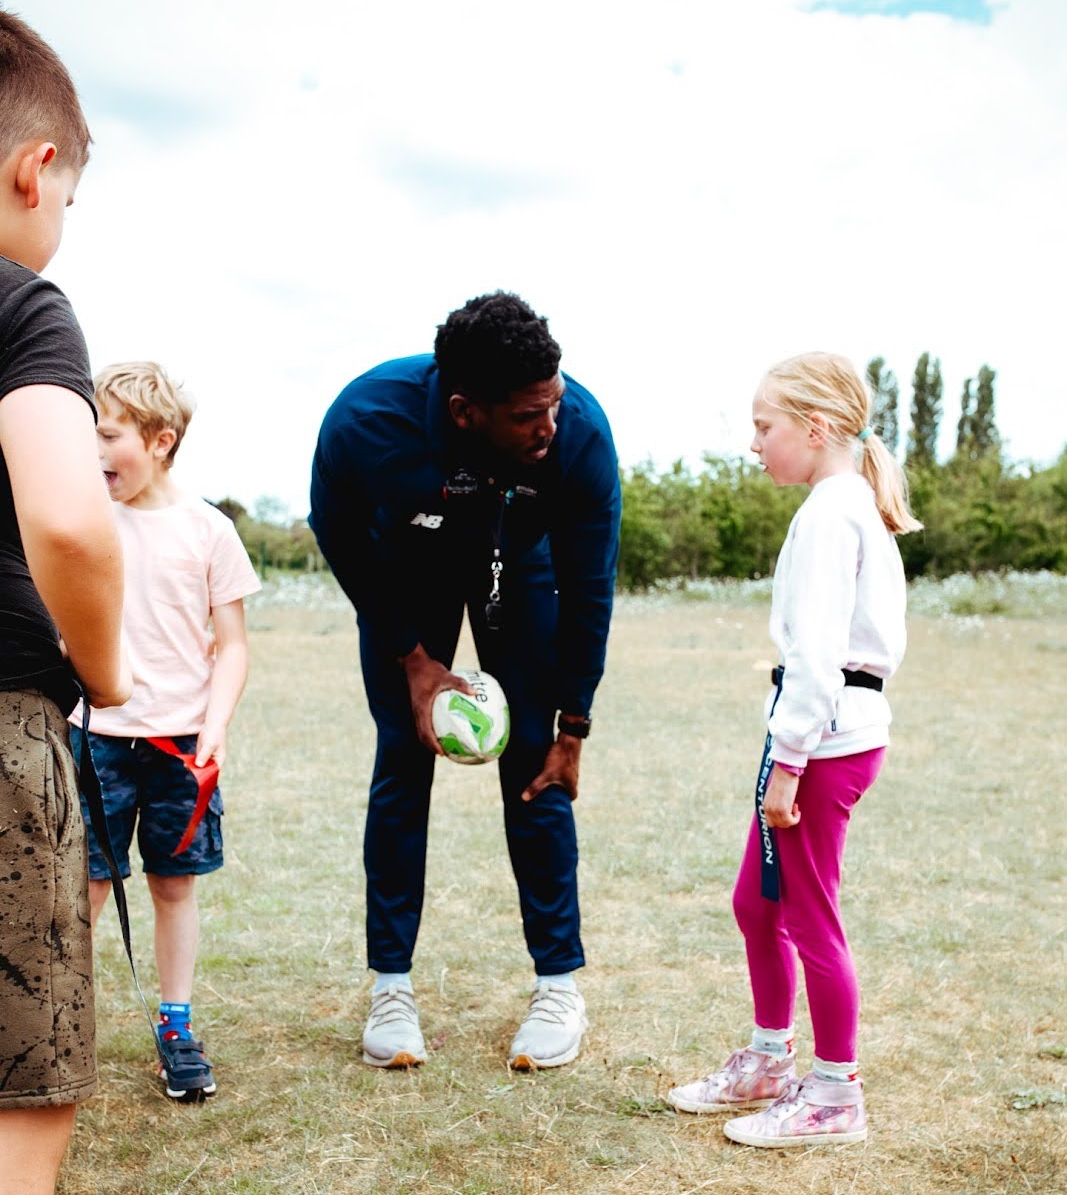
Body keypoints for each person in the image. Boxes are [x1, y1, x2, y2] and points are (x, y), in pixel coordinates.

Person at [311, 291, 620, 1070]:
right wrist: (413, 660)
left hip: (519, 575)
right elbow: (339, 534)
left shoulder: (577, 432)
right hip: (406, 574)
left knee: (535, 773)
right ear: (462, 410)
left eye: (552, 401)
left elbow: (591, 587)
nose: (548, 424)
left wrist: (572, 725)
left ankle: (557, 987)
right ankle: (390, 986)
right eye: (525, 414)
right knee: (402, 763)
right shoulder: (366, 421)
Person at [668, 352, 921, 1147]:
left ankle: (834, 1096)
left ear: (814, 429)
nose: (754, 444)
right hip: (815, 734)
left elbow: (818, 658)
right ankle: (771, 1060)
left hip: (824, 742)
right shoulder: (839, 505)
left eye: (762, 426)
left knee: (809, 916)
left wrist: (787, 763)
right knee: (758, 903)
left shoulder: (830, 513)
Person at [0, 11, 130, 1195]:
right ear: (37, 171)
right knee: (16, 1129)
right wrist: (99, 665)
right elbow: (74, 520)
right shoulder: (23, 310)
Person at [69, 362, 260, 1102]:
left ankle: (175, 1027)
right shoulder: (81, 520)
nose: (91, 449)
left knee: (173, 888)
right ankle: (56, 1026)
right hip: (95, 738)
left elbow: (233, 644)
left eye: (107, 434)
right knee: (81, 890)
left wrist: (215, 727)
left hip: (181, 746)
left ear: (159, 440)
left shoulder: (209, 529)